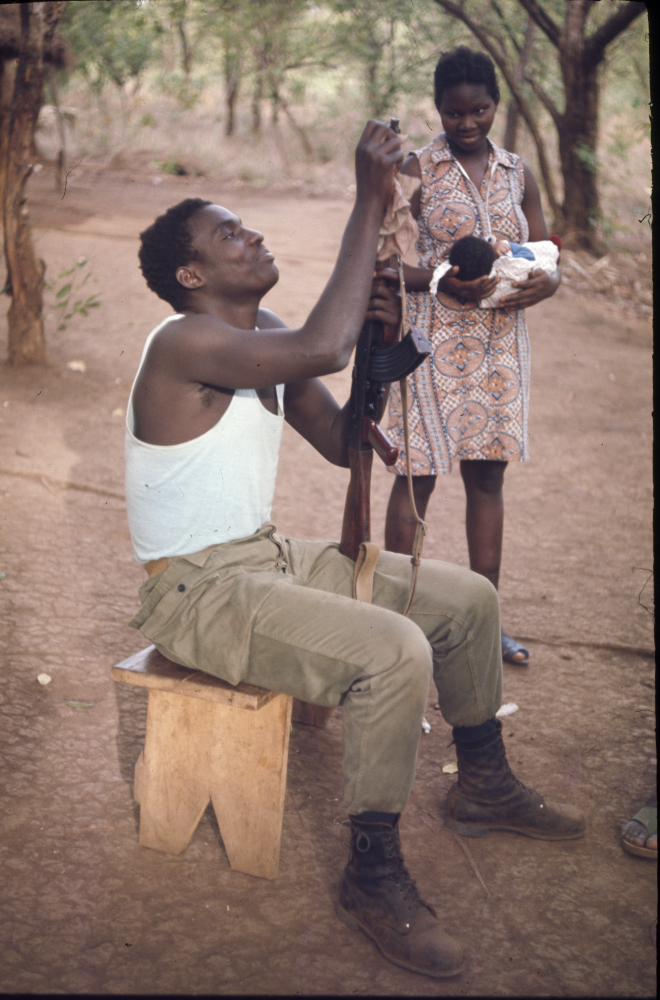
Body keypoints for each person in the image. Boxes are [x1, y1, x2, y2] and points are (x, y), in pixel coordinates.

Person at [125, 120, 584, 981]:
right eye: (230, 235)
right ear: (192, 276)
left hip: (261, 560)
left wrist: (387, 356)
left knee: (469, 600)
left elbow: (342, 441)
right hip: (196, 592)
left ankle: (483, 783)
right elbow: (321, 346)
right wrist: (370, 202)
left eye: (246, 225)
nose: (252, 235)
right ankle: (371, 874)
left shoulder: (257, 331)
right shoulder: (184, 342)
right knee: (393, 649)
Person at [384, 46, 561, 666]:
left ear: (494, 105)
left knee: (488, 480)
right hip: (429, 345)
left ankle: (485, 625)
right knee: (417, 478)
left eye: (478, 111)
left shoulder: (518, 173)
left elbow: (545, 251)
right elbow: (383, 261)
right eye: (454, 113)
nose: (466, 123)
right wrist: (441, 280)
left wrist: (550, 282)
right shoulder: (415, 169)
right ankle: (393, 624)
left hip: (499, 348)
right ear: (438, 108)